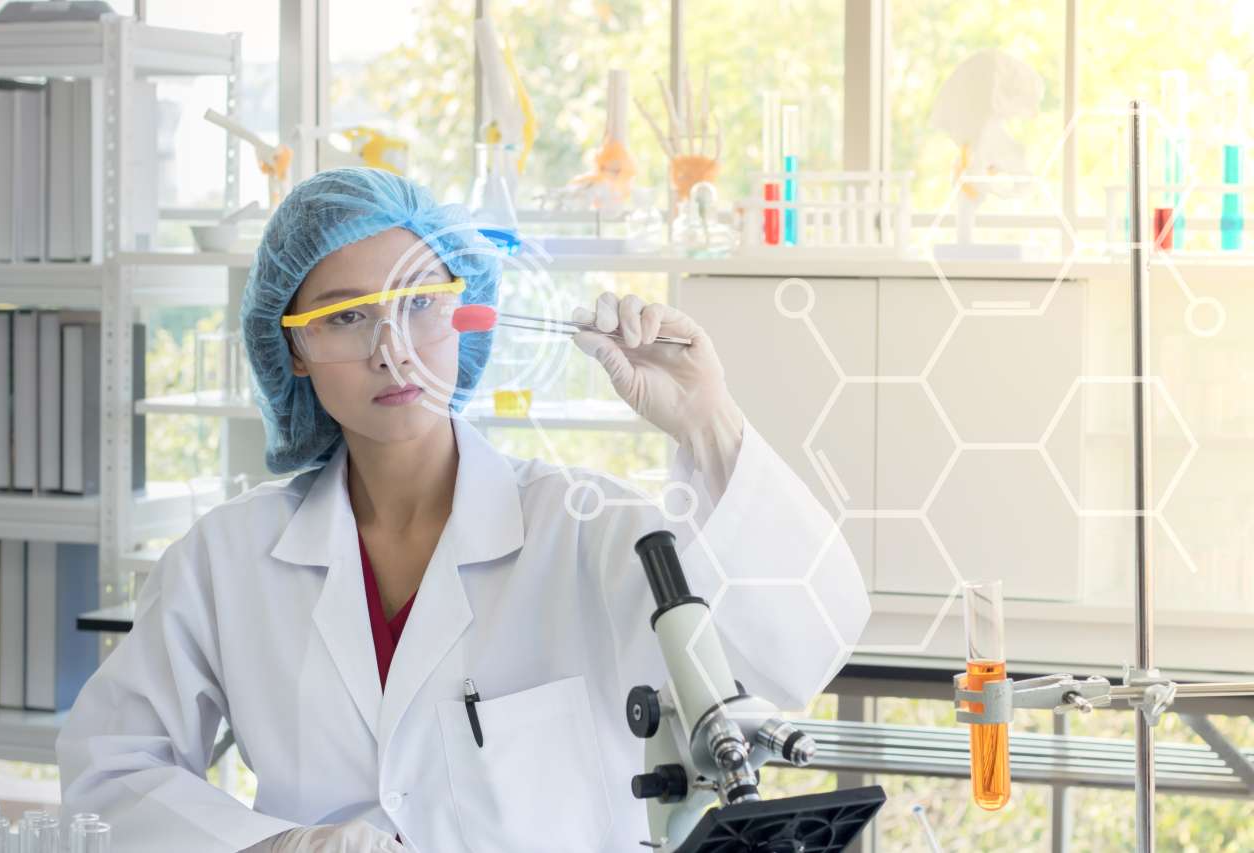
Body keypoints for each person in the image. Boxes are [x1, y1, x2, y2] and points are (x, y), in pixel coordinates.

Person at [56, 168, 870, 853]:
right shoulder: (225, 560)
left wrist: (708, 419)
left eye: (418, 301)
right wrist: (281, 846)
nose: (391, 347)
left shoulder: (593, 531)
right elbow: (112, 768)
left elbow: (799, 653)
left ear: (465, 308)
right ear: (293, 350)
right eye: (344, 316)